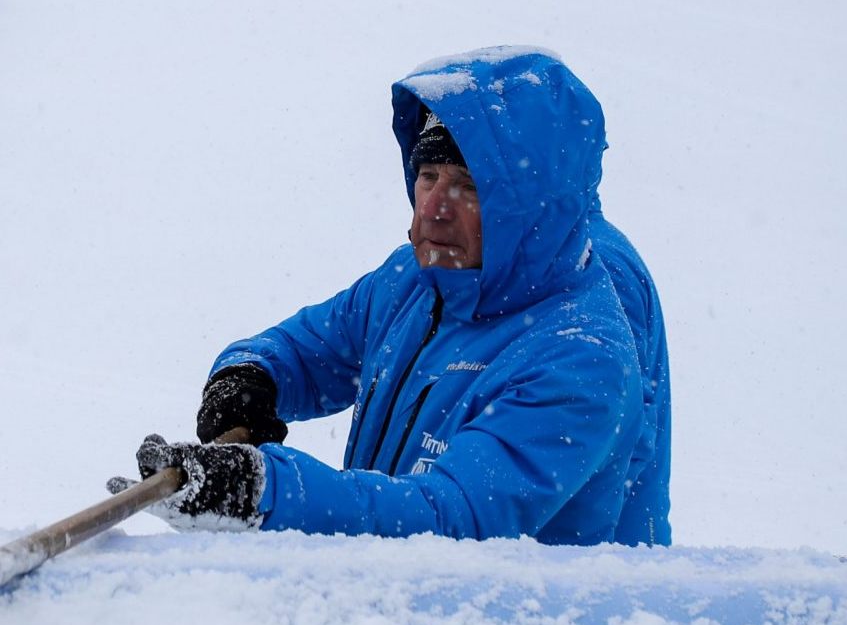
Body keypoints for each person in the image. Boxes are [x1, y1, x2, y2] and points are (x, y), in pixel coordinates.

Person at [109, 49, 671, 546]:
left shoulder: (581, 356)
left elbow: (452, 519)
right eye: (428, 176)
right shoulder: (416, 280)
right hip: (398, 615)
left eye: (469, 187)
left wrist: (263, 489)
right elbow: (307, 350)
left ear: (529, 211)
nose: (434, 208)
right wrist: (248, 379)